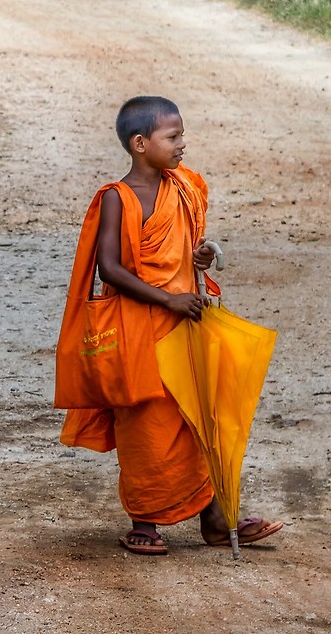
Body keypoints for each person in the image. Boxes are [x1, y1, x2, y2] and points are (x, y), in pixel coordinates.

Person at [56, 96, 283, 555]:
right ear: (140, 144)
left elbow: (182, 250)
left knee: (200, 418)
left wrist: (197, 256)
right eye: (173, 136)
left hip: (185, 324)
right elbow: (109, 267)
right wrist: (167, 299)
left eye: (182, 135)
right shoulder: (117, 198)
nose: (183, 144)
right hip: (140, 328)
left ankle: (216, 518)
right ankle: (144, 520)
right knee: (146, 424)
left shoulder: (182, 188)